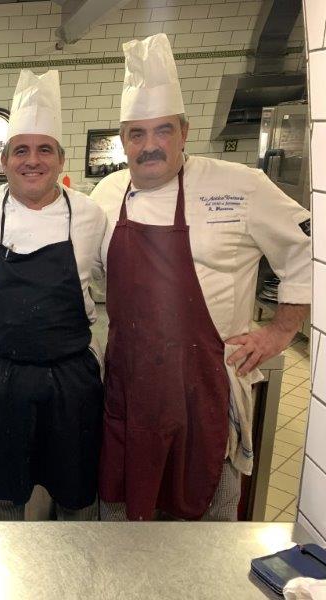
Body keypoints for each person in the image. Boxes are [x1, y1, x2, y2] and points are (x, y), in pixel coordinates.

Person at [92, 33, 312, 521]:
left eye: (163, 130)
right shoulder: (106, 194)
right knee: (123, 518)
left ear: (185, 132)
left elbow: (309, 249)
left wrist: (281, 328)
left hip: (206, 389)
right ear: (123, 138)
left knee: (207, 519)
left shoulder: (240, 186)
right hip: (128, 386)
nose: (150, 147)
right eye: (137, 133)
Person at [0, 69, 107, 520]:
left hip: (72, 376)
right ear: (4, 161)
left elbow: (117, 278)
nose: (31, 160)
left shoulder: (92, 214)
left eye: (44, 150)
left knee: (76, 489)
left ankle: (72, 577)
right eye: (20, 150)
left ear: (61, 159)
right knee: (1, 491)